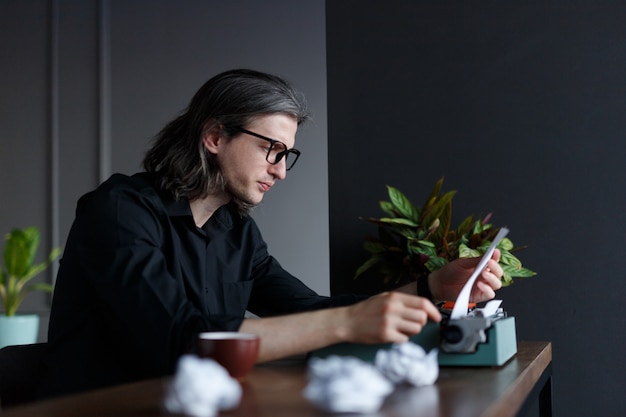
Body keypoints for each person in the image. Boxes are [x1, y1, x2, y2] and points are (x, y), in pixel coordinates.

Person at [37, 69, 503, 399]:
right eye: (271, 149)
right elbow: (180, 341)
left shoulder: (238, 233)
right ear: (215, 137)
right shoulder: (118, 211)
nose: (280, 172)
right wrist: (343, 324)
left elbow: (308, 311)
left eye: (287, 155)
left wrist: (430, 286)